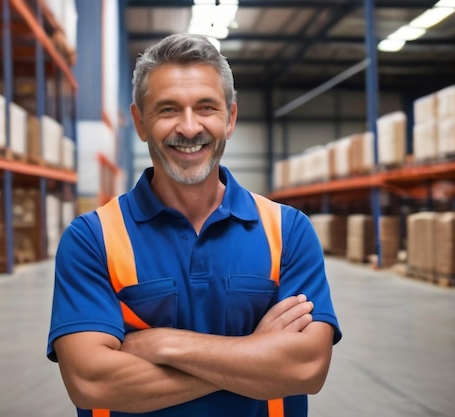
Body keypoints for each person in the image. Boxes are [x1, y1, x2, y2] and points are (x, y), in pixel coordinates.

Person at [47, 33, 342, 417]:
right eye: (168, 110)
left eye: (206, 108)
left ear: (230, 117)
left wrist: (167, 345)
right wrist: (256, 354)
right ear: (139, 121)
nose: (189, 128)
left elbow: (306, 368)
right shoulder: (92, 239)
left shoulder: (287, 232)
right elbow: (91, 382)